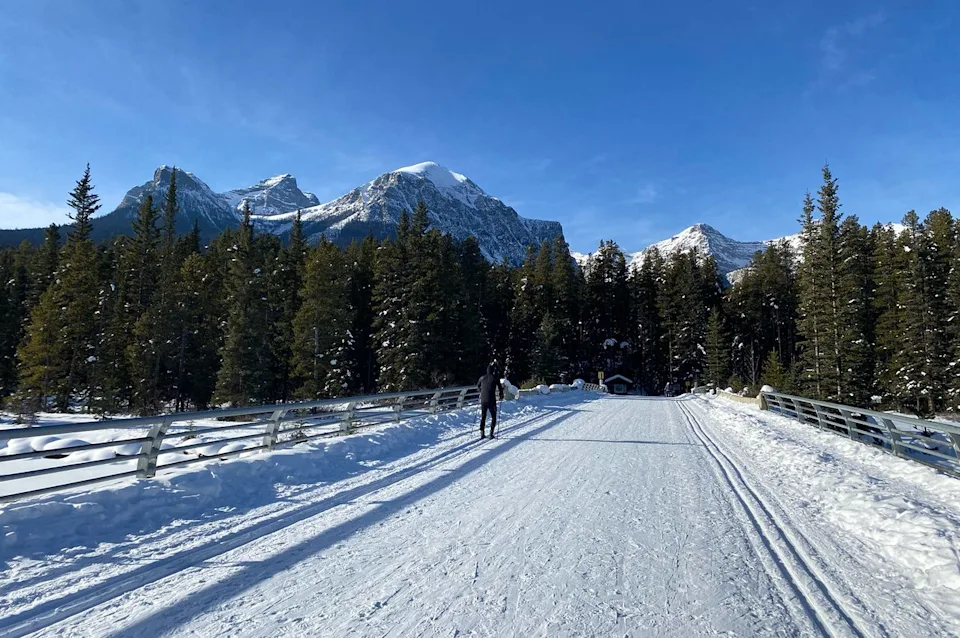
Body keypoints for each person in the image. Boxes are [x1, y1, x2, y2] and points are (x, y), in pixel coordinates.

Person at [477, 365, 505, 439]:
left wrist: (482, 391)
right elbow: (500, 389)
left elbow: (478, 386)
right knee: (493, 416)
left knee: (483, 416)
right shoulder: (495, 378)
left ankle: (482, 433)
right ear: (493, 371)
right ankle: (491, 433)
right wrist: (501, 395)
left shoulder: (481, 378)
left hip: (483, 400)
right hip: (491, 400)